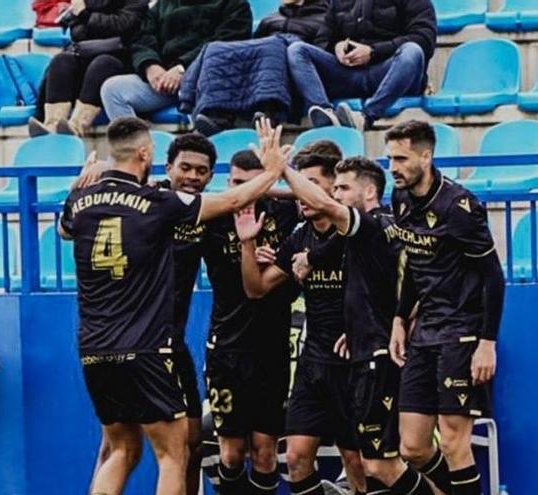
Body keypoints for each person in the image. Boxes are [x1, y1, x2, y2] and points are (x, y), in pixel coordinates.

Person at [58, 116, 286, 494]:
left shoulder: (85, 201)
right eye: (186, 168)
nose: (193, 176)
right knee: (172, 453)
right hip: (148, 345)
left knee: (127, 448)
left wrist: (76, 187)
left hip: (98, 346)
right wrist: (274, 170)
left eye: (202, 171)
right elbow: (235, 198)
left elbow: (65, 229)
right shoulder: (160, 202)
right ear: (153, 158)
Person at [282, 155, 443, 494]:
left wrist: (281, 169)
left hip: (377, 356)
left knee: (380, 465)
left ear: (369, 191)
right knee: (380, 462)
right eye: (335, 187)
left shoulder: (370, 227)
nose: (336, 194)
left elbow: (323, 206)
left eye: (342, 188)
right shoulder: (374, 230)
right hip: (364, 349)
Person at [235, 144, 367, 495]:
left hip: (352, 361)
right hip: (313, 362)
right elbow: (257, 288)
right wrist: (247, 244)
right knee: (294, 458)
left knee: (357, 462)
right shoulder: (298, 236)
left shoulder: (357, 233)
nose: (300, 194)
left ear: (331, 189)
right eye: (298, 186)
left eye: (309, 184)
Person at [386, 120, 506, 495]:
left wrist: (487, 342)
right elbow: (414, 264)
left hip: (462, 333)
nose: (393, 167)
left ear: (426, 155)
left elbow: (494, 277)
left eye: (401, 159)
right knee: (413, 447)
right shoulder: (400, 197)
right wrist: (398, 319)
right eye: (390, 158)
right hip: (423, 333)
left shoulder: (459, 207)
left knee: (455, 443)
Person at [194, 148, 300, 495]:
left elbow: (322, 196)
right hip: (226, 348)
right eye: (238, 184)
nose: (245, 194)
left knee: (266, 452)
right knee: (232, 451)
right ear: (228, 182)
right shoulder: (213, 216)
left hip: (272, 347)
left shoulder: (283, 213)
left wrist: (275, 178)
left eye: (253, 186)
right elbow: (170, 199)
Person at [185, 0, 329, 136]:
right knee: (216, 48)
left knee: (272, 47)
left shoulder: (324, 18)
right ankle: (217, 115)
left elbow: (319, 52)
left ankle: (270, 112)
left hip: (295, 74)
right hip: (266, 71)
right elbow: (253, 51)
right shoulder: (270, 19)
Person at [286, 0, 436, 131]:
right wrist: (337, 47)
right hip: (349, 74)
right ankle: (326, 115)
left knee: (412, 51)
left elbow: (424, 39)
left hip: (391, 71)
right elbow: (322, 41)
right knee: (297, 50)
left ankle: (366, 117)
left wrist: (373, 52)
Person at [100, 0, 252, 121]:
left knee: (204, 91)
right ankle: (136, 152)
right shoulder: (162, 5)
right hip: (163, 81)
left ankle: (200, 152)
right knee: (113, 89)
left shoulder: (235, 5)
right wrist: (150, 65)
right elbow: (142, 38)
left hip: (203, 81)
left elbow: (224, 45)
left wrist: (182, 68)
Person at [29, 0, 149, 137]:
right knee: (61, 61)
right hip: (88, 53)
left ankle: (76, 126)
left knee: (102, 64)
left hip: (122, 57)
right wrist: (93, 23)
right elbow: (77, 31)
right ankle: (52, 124)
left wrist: (85, 15)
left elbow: (123, 24)